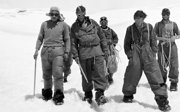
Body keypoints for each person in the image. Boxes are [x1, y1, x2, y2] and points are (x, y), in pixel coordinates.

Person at [122, 10, 171, 111]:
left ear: (143, 18)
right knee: (132, 73)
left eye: (139, 18)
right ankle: (128, 94)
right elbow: (126, 43)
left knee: (155, 74)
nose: (137, 20)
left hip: (147, 52)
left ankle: (162, 99)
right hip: (135, 52)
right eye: (135, 18)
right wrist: (130, 54)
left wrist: (153, 51)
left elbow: (153, 40)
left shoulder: (149, 27)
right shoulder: (130, 29)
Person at [71, 5, 109, 105]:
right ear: (76, 14)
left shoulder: (93, 23)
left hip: (97, 51)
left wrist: (105, 50)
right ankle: (88, 94)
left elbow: (102, 36)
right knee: (86, 75)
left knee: (100, 73)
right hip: (84, 52)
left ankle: (100, 94)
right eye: (78, 14)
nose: (80, 15)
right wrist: (75, 56)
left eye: (82, 13)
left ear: (85, 13)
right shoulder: (74, 27)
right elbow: (73, 42)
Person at [33, 6, 70, 105]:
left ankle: (58, 95)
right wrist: (36, 49)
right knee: (46, 74)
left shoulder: (64, 25)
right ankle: (47, 92)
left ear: (58, 15)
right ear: (50, 14)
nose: (54, 16)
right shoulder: (44, 24)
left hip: (58, 51)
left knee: (58, 74)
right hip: (45, 51)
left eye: (56, 14)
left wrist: (67, 52)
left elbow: (67, 39)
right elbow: (40, 38)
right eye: (52, 14)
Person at [154, 8, 180, 91]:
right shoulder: (158, 25)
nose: (165, 16)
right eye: (164, 14)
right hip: (161, 46)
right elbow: (153, 36)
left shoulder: (173, 24)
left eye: (167, 14)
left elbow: (179, 34)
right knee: (161, 63)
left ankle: (173, 82)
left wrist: (174, 37)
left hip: (172, 46)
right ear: (162, 15)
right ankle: (162, 81)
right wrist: (161, 38)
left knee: (174, 63)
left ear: (169, 15)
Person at [99, 16, 118, 84]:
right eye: (102, 22)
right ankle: (104, 78)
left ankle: (110, 77)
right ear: (100, 23)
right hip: (101, 51)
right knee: (102, 65)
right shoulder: (98, 30)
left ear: (107, 22)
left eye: (105, 22)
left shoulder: (110, 30)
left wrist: (113, 43)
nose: (103, 23)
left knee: (112, 65)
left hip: (110, 51)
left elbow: (116, 37)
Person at [59, 14, 73, 83]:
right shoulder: (55, 27)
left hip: (66, 47)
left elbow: (70, 38)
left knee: (67, 63)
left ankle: (65, 76)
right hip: (58, 47)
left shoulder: (67, 27)